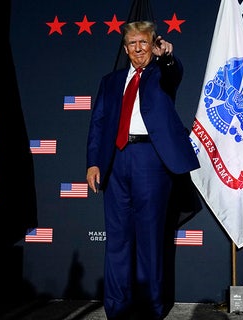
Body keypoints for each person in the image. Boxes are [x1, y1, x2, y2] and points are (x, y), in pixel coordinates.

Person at [86, 21, 199, 320]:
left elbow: (175, 72)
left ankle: (152, 307)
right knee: (118, 239)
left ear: (152, 45)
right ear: (125, 48)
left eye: (144, 43)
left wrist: (167, 56)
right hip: (116, 161)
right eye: (132, 43)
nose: (138, 48)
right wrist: (93, 163)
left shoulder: (162, 73)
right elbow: (98, 123)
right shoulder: (110, 81)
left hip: (151, 159)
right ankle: (117, 307)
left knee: (151, 238)